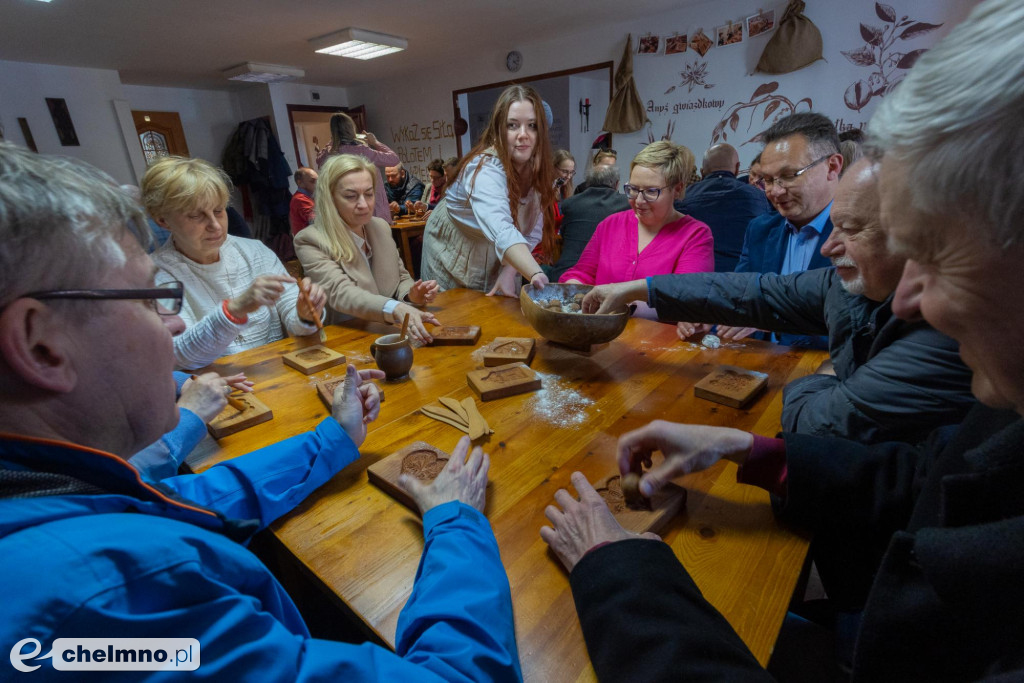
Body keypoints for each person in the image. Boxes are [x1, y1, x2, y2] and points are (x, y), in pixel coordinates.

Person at [541, 2, 1024, 679]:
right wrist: (748, 446)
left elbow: (839, 419)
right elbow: (914, 478)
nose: (917, 297)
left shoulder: (941, 338)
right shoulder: (994, 397)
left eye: (935, 252)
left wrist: (618, 572)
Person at [0, 141, 523, 681]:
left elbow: (180, 497)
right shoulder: (105, 601)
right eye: (146, 301)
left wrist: (333, 437)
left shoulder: (44, 487)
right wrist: (456, 521)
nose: (175, 325)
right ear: (40, 345)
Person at [584, 158, 974, 445]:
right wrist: (638, 289)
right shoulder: (847, 284)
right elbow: (753, 291)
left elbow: (814, 420)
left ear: (917, 241)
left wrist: (830, 373)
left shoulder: (942, 336)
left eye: (851, 230)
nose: (828, 246)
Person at [143, 156, 327, 370]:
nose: (215, 225)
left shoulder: (255, 252)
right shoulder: (154, 273)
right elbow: (180, 355)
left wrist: (304, 315)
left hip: (277, 376)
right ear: (162, 220)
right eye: (195, 216)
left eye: (219, 211)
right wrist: (235, 309)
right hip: (220, 392)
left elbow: (295, 322)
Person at [694, 113, 841, 347]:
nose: (775, 191)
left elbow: (860, 327)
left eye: (789, 176)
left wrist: (772, 319)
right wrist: (707, 318)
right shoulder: (761, 229)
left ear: (832, 167)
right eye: (768, 180)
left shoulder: (862, 233)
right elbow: (738, 297)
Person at [420, 84, 557, 297]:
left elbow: (530, 232)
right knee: (456, 317)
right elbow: (502, 228)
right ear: (499, 129)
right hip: (453, 248)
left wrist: (510, 271)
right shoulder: (485, 169)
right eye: (513, 125)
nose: (523, 135)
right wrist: (535, 273)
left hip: (497, 249)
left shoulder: (537, 171)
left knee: (496, 312)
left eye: (532, 126)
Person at [294, 154, 441, 344]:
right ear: (330, 198)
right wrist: (395, 308)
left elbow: (400, 277)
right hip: (349, 341)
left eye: (369, 194)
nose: (364, 204)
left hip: (391, 335)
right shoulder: (311, 240)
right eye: (350, 196)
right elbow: (341, 293)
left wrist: (411, 294)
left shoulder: (380, 226)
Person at [560, 141, 714, 313]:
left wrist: (624, 302)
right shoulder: (610, 225)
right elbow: (582, 273)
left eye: (651, 192)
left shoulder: (695, 235)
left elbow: (687, 299)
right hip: (602, 334)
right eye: (633, 189)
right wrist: (573, 289)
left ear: (677, 189)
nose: (639, 201)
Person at [675, 143, 771, 272]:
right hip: (743, 277)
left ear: (702, 172)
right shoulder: (759, 197)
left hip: (697, 275)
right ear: (737, 168)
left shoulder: (683, 197)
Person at [543, 165, 630, 283]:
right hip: (601, 281)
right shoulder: (627, 204)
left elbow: (563, 235)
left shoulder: (570, 204)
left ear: (588, 182)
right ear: (616, 184)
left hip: (563, 275)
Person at [316, 112, 399, 224]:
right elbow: (393, 159)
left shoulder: (330, 153)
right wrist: (375, 142)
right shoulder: (362, 151)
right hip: (374, 211)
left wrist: (333, 141)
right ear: (351, 128)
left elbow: (319, 162)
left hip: (346, 213)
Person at [289, 167, 318, 235]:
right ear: (300, 183)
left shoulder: (309, 196)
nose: (317, 184)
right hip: (308, 242)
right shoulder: (300, 199)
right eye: (312, 181)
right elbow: (315, 221)